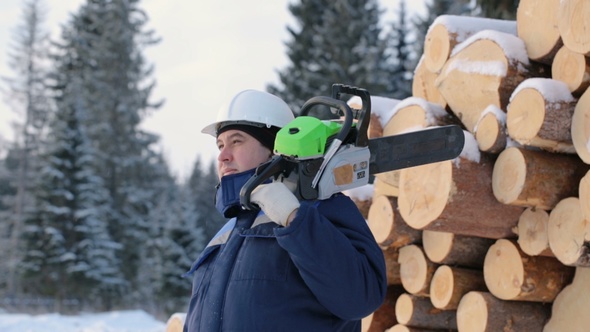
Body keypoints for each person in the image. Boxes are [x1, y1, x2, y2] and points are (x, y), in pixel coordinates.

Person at [183, 89, 387, 331]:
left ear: (274, 149)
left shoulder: (321, 209)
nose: (223, 156)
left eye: (236, 141)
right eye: (220, 145)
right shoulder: (226, 234)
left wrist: (295, 219)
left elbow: (360, 297)